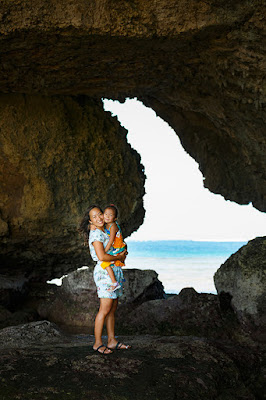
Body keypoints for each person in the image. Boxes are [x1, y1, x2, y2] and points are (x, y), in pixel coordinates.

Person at [79, 205, 131, 355]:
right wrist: (119, 257)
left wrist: (122, 252)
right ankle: (97, 343)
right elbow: (102, 257)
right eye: (94, 217)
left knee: (112, 308)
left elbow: (116, 245)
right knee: (104, 309)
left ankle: (112, 340)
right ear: (90, 221)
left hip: (114, 271)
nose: (99, 218)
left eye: (100, 214)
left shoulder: (105, 230)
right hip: (105, 274)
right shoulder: (96, 235)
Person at [92, 204, 127, 292]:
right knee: (106, 261)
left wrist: (105, 251)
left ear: (115, 218)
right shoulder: (106, 225)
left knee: (104, 261)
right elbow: (97, 225)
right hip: (116, 248)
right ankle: (115, 280)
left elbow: (111, 241)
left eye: (110, 215)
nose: (107, 216)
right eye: (106, 214)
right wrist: (92, 225)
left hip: (118, 248)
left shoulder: (113, 226)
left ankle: (114, 282)